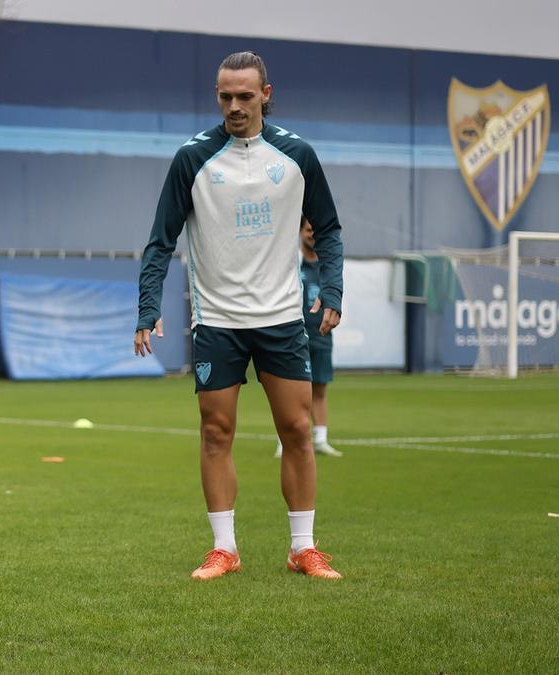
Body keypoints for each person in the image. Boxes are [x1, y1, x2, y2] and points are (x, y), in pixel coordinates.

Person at [135, 51, 344, 580]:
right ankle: (224, 549)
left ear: (266, 95)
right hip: (218, 320)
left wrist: (334, 291)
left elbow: (330, 228)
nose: (234, 105)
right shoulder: (192, 158)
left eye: (245, 96)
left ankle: (303, 548)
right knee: (215, 431)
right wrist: (149, 306)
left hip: (280, 316)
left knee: (297, 429)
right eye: (225, 96)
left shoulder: (298, 155)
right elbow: (161, 241)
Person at [275, 218, 343, 458]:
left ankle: (321, 439)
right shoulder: (292, 264)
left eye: (315, 230)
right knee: (289, 391)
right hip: (293, 338)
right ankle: (284, 441)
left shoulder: (327, 267)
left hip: (322, 337)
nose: (311, 234)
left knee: (320, 389)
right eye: (307, 229)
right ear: (300, 232)